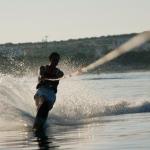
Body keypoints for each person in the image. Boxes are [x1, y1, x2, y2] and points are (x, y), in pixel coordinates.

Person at [33, 52, 64, 129]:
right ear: (50, 60)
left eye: (57, 60)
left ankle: (41, 122)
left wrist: (55, 75)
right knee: (42, 103)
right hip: (41, 91)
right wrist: (42, 77)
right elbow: (40, 74)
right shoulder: (43, 68)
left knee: (46, 105)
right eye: (54, 59)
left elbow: (61, 75)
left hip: (51, 94)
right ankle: (38, 121)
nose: (55, 61)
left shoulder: (59, 72)